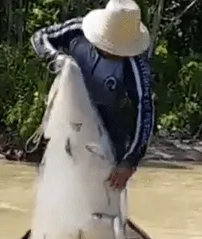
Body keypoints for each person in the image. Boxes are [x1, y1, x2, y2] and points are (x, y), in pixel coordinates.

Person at [31, 0, 155, 192]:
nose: (115, 52)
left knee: (106, 187)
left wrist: (130, 161)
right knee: (59, 180)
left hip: (108, 125)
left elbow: (145, 111)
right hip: (68, 114)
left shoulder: (135, 65)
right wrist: (55, 57)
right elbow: (40, 37)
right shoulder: (77, 30)